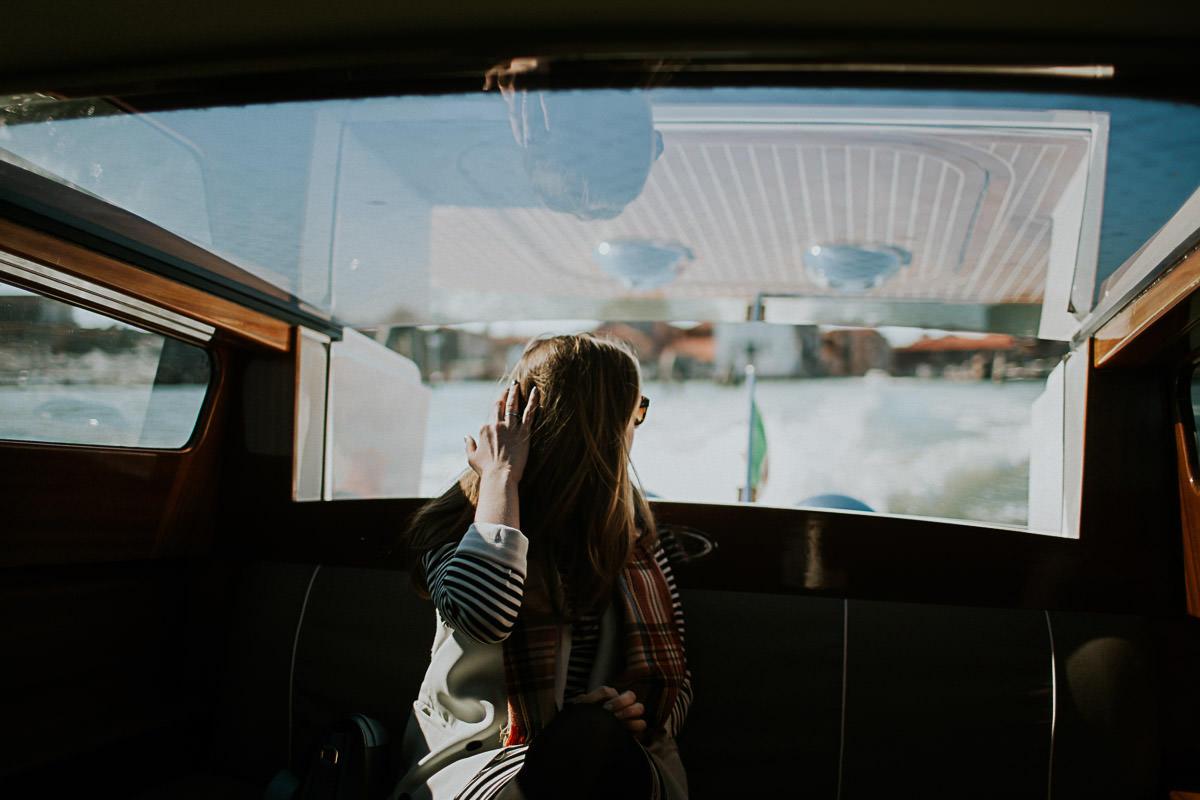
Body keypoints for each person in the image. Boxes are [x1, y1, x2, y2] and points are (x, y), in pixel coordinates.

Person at [392, 334, 691, 800]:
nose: (639, 424)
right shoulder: (458, 523)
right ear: (605, 426)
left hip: (608, 756)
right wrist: (501, 478)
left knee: (590, 737)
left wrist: (624, 708)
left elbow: (677, 684)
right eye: (638, 409)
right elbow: (483, 617)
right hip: (487, 760)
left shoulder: (635, 538)